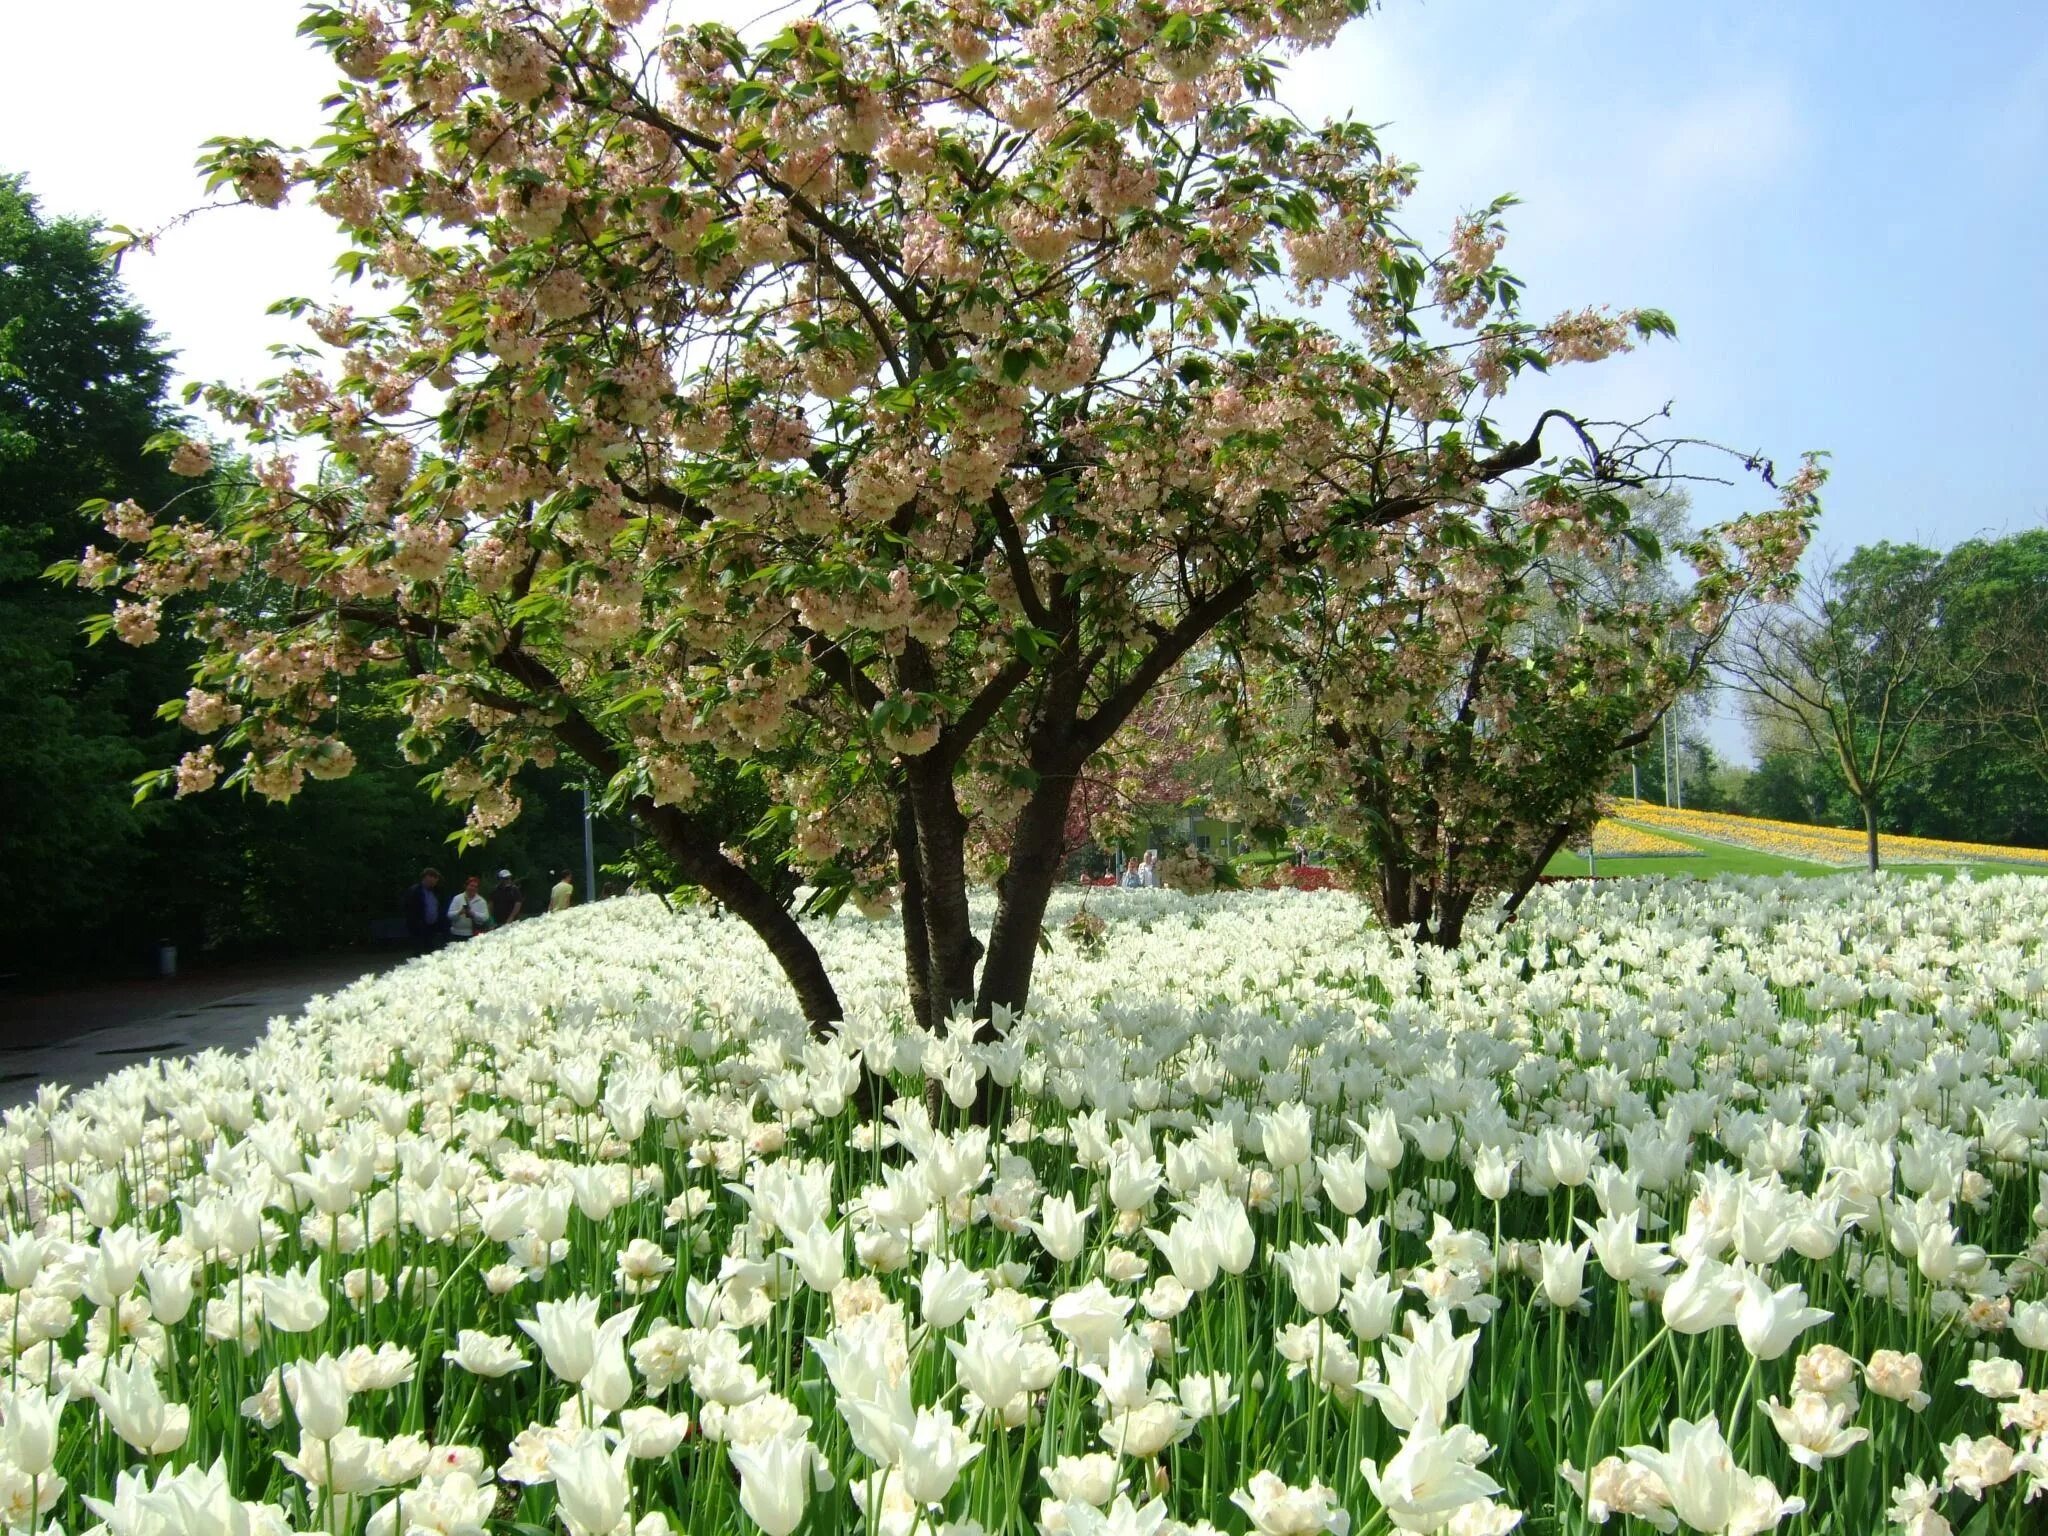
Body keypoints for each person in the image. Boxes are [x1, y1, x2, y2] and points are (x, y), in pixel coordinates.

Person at [402, 868, 447, 951]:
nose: (434, 883)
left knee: (431, 951)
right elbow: (408, 909)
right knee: (418, 952)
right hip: (418, 928)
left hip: (432, 927)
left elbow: (439, 907)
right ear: (425, 878)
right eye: (432, 881)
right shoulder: (414, 891)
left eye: (436, 881)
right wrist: (415, 924)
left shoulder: (436, 891)